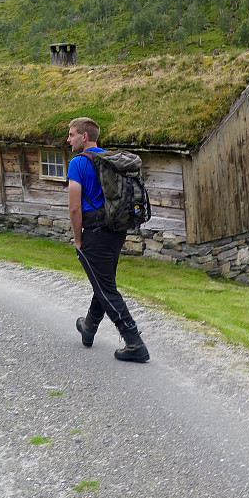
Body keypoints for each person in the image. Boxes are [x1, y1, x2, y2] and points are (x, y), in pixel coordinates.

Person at [66, 116, 150, 363]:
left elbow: (74, 208)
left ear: (84, 136)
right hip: (116, 229)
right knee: (102, 281)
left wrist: (78, 238)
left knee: (106, 288)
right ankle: (89, 326)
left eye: (71, 134)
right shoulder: (111, 160)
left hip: (94, 232)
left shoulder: (78, 163)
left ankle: (134, 341)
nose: (68, 139)